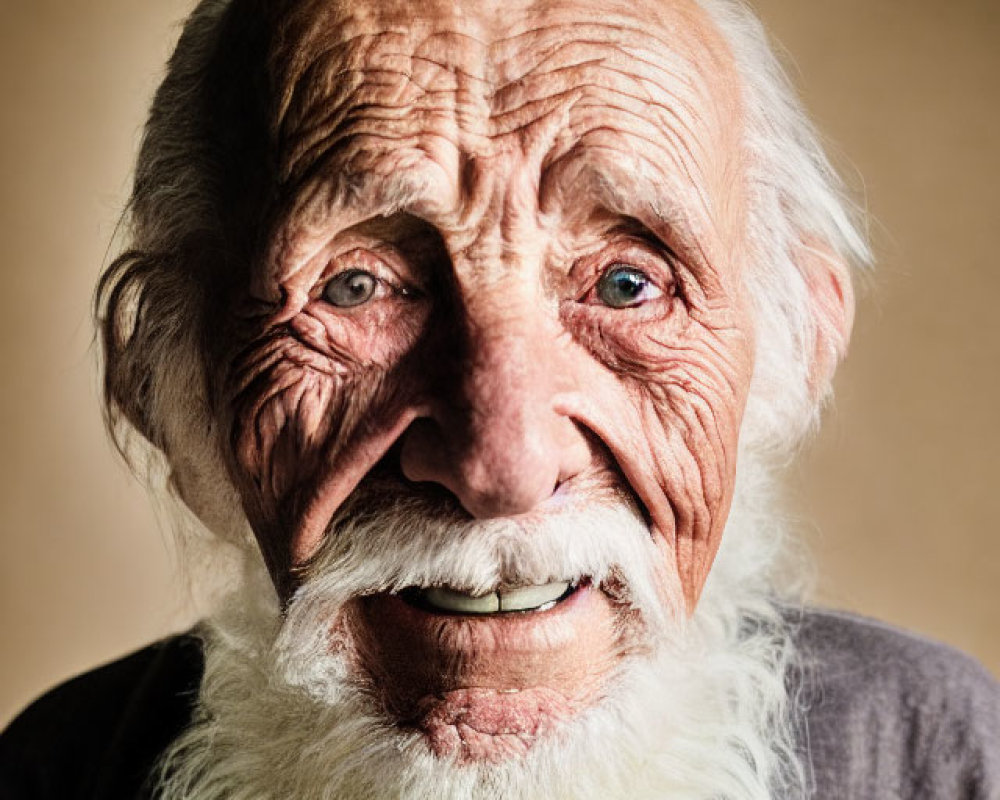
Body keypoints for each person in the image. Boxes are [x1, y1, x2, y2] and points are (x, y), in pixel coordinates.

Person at [2, 0, 997, 797]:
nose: (501, 464)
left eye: (625, 283)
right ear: (158, 374)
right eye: (354, 286)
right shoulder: (60, 769)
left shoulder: (943, 760)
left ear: (797, 344)